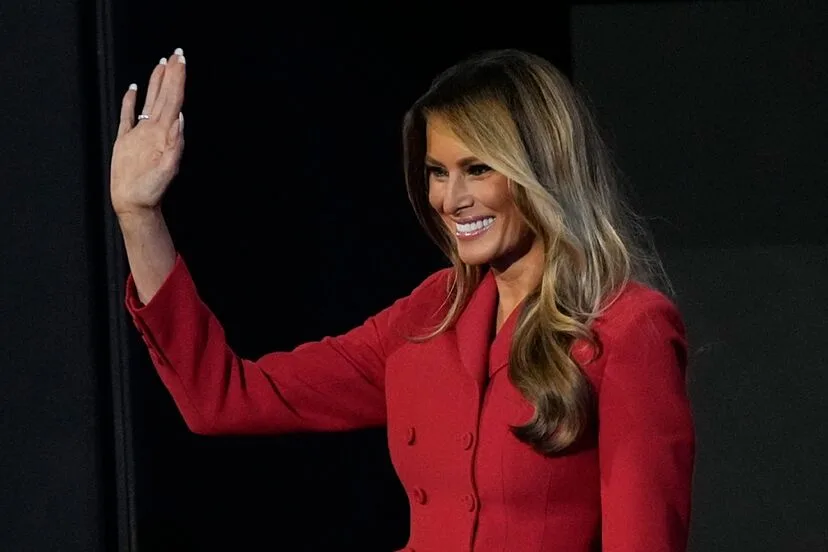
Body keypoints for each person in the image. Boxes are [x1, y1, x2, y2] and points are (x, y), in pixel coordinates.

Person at [110, 47, 695, 552]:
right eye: (437, 172)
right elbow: (225, 398)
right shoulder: (430, 315)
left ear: (542, 169)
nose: (450, 199)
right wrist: (139, 217)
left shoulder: (627, 329)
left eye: (477, 169)